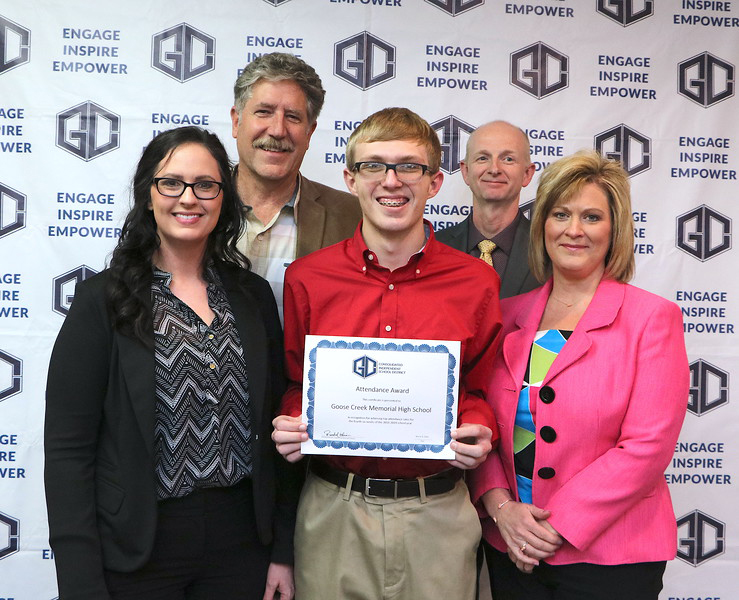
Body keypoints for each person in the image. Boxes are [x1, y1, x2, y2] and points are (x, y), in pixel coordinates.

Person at [45, 126, 300, 600]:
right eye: (172, 183)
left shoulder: (252, 296)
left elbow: (277, 428)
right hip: (138, 546)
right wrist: (79, 580)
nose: (189, 198)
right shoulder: (104, 299)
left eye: (206, 185)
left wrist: (282, 549)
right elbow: (68, 452)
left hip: (242, 543)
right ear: (147, 195)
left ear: (224, 197)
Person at [271, 107, 503, 600]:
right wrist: (294, 420)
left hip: (436, 515)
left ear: (436, 182)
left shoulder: (477, 282)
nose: (391, 181)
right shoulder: (307, 279)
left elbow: (478, 389)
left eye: (409, 167)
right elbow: (296, 384)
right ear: (351, 178)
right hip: (334, 511)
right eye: (375, 165)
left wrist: (480, 427)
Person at [471, 150, 689, 600]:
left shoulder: (652, 318)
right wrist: (502, 509)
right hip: (511, 547)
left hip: (612, 557)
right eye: (560, 214)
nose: (574, 230)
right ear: (542, 225)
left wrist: (555, 527)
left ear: (615, 230)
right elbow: (480, 424)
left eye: (591, 217)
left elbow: (646, 447)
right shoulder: (506, 315)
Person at [230, 52, 362, 318]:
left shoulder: (354, 217)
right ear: (236, 121)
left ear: (310, 132)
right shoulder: (194, 204)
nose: (278, 130)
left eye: (292, 117)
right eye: (264, 112)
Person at [436, 120, 539, 298]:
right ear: (466, 171)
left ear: (527, 174)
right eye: (483, 158)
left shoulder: (549, 250)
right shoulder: (434, 248)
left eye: (508, 159)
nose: (494, 169)